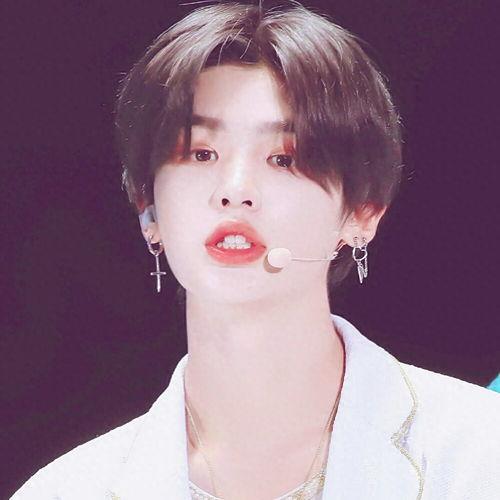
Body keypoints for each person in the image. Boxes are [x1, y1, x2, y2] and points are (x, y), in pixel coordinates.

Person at [11, 2, 500, 499]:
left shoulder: (480, 455)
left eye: (283, 158)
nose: (235, 190)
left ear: (362, 213)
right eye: (201, 153)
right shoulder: (66, 491)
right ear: (147, 207)